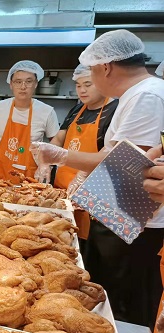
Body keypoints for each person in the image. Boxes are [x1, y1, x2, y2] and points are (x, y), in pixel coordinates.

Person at [31, 29, 164, 329]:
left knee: (121, 308)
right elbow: (112, 152)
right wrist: (82, 176)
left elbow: (125, 162)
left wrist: (60, 157)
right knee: (105, 294)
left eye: (91, 70)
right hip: (118, 215)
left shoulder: (146, 95)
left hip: (134, 223)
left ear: (105, 67)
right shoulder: (134, 95)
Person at [49, 64, 118, 244]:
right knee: (58, 238)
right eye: (78, 85)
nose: (82, 90)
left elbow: (111, 153)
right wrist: (46, 159)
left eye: (88, 84)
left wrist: (82, 175)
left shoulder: (114, 111)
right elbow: (58, 138)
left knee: (82, 247)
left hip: (92, 195)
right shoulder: (77, 110)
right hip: (62, 192)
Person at [0, 60, 59, 183]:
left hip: (29, 177)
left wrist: (45, 163)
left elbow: (56, 140)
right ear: (11, 84)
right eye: (18, 82)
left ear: (36, 84)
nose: (23, 87)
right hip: (0, 174)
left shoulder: (47, 111)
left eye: (29, 81)